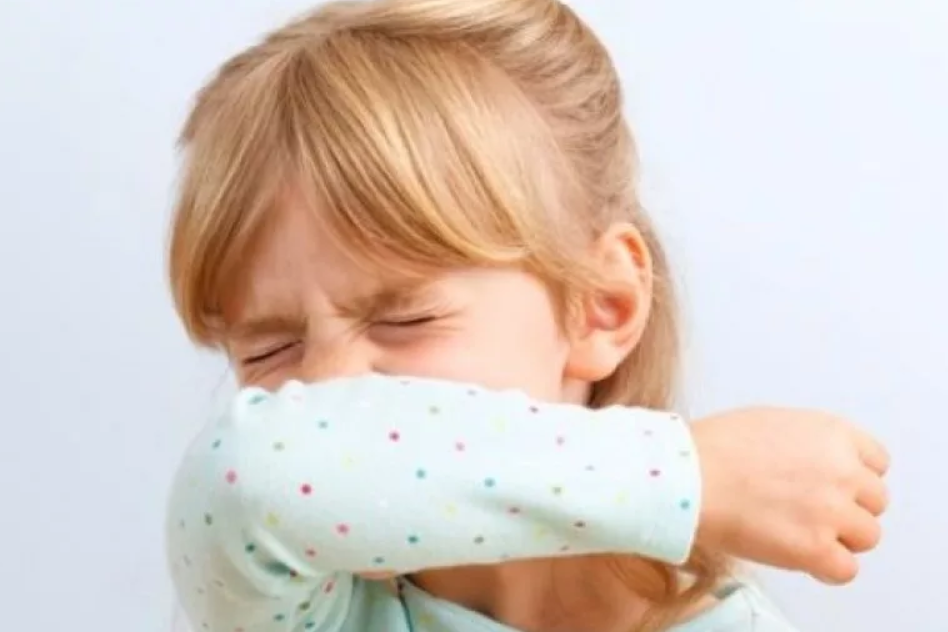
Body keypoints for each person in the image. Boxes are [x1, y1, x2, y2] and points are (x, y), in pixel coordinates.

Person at [164, 1, 889, 630]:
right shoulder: (300, 607)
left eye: (404, 319)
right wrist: (688, 477)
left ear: (601, 308)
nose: (323, 387)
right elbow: (252, 473)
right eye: (269, 351)